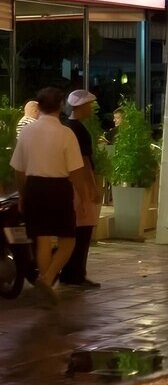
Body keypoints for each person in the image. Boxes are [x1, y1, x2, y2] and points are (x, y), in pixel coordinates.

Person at [9, 87, 94, 303]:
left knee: (42, 238)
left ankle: (46, 288)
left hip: (34, 187)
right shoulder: (66, 133)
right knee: (68, 239)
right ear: (60, 106)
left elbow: (18, 169)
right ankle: (46, 281)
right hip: (58, 188)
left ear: (39, 106)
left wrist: (22, 194)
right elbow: (76, 171)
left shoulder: (27, 132)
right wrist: (84, 198)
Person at [59, 90, 102, 288]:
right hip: (79, 184)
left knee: (73, 229)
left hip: (66, 183)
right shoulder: (79, 131)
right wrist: (92, 188)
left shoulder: (65, 127)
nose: (91, 109)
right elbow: (84, 162)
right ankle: (75, 274)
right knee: (83, 229)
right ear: (80, 107)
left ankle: (69, 272)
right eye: (89, 105)